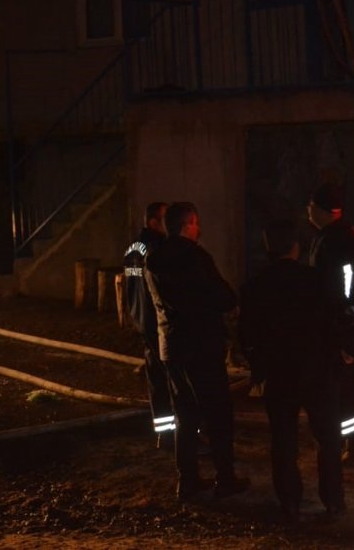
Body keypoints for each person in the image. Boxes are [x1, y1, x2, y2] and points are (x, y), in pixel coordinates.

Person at [239, 218, 350, 521]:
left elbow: (246, 335)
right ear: (296, 247)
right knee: (328, 438)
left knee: (283, 440)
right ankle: (334, 499)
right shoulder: (318, 280)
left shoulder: (255, 288)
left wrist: (257, 367)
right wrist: (345, 352)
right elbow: (338, 318)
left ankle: (289, 500)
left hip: (279, 373)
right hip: (319, 370)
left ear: (268, 248)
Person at [146, 201, 249, 501]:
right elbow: (223, 296)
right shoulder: (196, 257)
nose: (199, 228)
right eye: (196, 223)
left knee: (185, 415)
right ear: (187, 224)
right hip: (203, 346)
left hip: (173, 348)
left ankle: (186, 480)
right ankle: (225, 479)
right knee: (217, 414)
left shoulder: (153, 260)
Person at [306, 181, 354, 465]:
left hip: (337, 327)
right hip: (335, 325)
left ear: (322, 210)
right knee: (343, 389)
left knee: (343, 389)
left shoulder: (336, 239)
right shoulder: (333, 236)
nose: (307, 211)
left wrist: (346, 330)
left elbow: (344, 287)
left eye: (310, 207)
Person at [122, 201, 176, 446]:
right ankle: (180, 434)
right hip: (159, 322)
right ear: (154, 222)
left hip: (144, 322)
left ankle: (164, 434)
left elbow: (131, 286)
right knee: (172, 379)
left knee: (156, 379)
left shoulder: (134, 249)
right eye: (165, 219)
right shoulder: (159, 249)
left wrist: (136, 317)